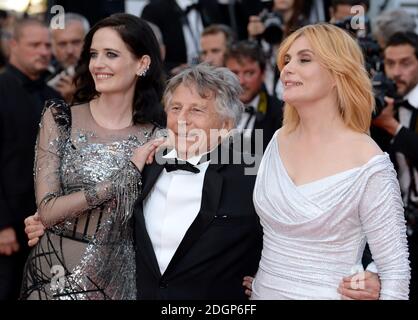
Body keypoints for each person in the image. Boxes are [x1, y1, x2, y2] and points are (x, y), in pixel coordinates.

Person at [26, 63, 382, 300]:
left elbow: (321, 222)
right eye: (176, 108)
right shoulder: (143, 164)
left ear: (227, 126)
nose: (182, 119)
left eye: (197, 110)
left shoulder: (257, 169)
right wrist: (46, 224)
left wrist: (369, 270)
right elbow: (99, 216)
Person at [250, 23, 410, 300]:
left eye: (304, 59)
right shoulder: (276, 140)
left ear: (338, 74)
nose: (287, 68)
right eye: (286, 60)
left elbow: (395, 273)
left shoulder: (367, 160)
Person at [20, 13, 165, 300]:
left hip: (118, 280)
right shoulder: (60, 118)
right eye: (94, 54)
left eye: (111, 54)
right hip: (52, 274)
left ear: (142, 63)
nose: (98, 64)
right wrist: (125, 176)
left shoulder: (159, 136)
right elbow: (47, 211)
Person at [0, 17, 61, 300]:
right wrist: (2, 226)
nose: (44, 51)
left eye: (48, 45)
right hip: (9, 225)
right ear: (13, 45)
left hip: (47, 225)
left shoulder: (55, 96)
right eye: (34, 45)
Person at [371, 31, 418, 299]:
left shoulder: (388, 117)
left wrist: (392, 126)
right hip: (394, 230)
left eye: (406, 63)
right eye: (390, 63)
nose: (397, 72)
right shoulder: (382, 104)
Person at [225, 40, 283, 154]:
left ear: (263, 74)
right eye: (234, 73)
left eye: (249, 73)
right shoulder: (215, 110)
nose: (240, 81)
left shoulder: (279, 113)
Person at [47, 13, 90, 102]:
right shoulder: (44, 74)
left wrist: (76, 98)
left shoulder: (101, 72)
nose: (69, 51)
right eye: (62, 44)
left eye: (76, 42)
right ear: (52, 46)